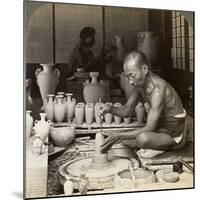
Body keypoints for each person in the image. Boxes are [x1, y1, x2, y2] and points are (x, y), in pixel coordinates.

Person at [98, 50, 187, 158]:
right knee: (127, 140)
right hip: (159, 129)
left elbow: (149, 128)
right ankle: (154, 145)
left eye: (132, 75)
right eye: (128, 77)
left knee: (142, 139)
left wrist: (118, 136)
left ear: (144, 69)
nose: (130, 81)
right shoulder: (140, 85)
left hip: (173, 133)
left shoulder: (158, 89)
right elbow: (127, 110)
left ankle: (163, 148)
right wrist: (109, 108)